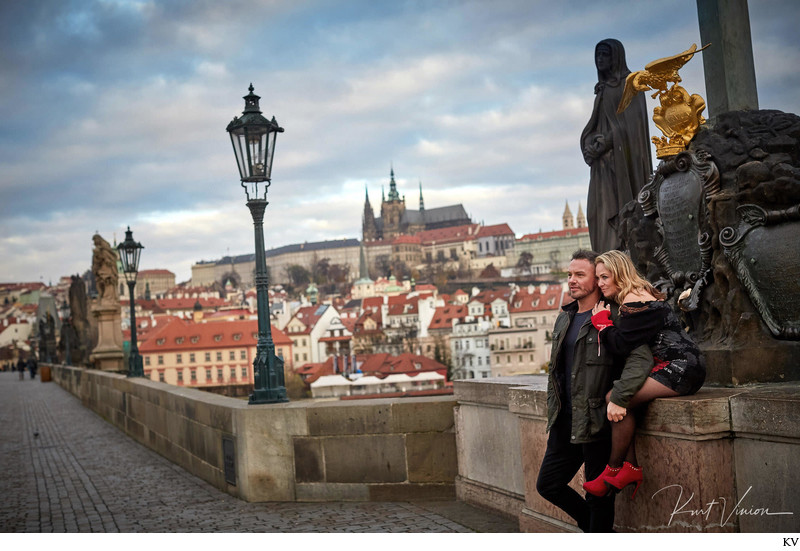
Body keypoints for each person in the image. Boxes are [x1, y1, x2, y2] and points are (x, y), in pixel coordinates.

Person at [536, 250, 653, 532]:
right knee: (548, 484)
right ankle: (594, 530)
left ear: (597, 281)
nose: (572, 281)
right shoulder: (564, 318)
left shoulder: (614, 315)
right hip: (565, 419)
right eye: (569, 275)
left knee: (598, 495)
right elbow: (559, 371)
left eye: (579, 275)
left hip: (598, 420)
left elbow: (641, 359)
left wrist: (620, 396)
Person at [583, 250, 705, 498]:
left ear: (620, 273)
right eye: (598, 278)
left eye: (605, 277)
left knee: (615, 399)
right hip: (678, 364)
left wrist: (603, 323)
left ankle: (614, 469)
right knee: (623, 400)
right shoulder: (636, 294)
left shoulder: (634, 300)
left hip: (681, 366)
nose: (600, 283)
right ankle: (628, 468)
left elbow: (621, 345)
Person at [580, 39, 652, 253]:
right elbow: (596, 124)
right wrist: (589, 144)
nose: (600, 59)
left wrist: (607, 142)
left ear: (616, 57)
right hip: (601, 165)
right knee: (596, 214)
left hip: (621, 165)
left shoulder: (630, 86)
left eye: (604, 54)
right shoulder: (602, 90)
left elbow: (633, 127)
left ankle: (619, 254)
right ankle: (605, 258)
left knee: (618, 212)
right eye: (597, 55)